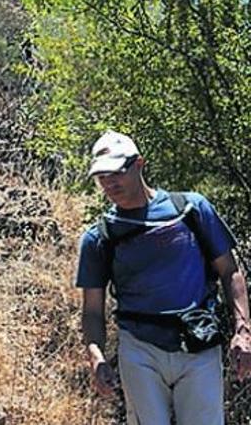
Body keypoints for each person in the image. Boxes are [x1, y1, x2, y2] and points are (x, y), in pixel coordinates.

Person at [78, 130, 251, 425]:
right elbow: (92, 310)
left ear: (139, 164)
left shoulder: (190, 209)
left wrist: (243, 330)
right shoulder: (99, 237)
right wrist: (97, 356)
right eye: (102, 177)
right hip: (139, 347)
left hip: (198, 342)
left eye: (116, 172)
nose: (109, 183)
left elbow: (230, 271)